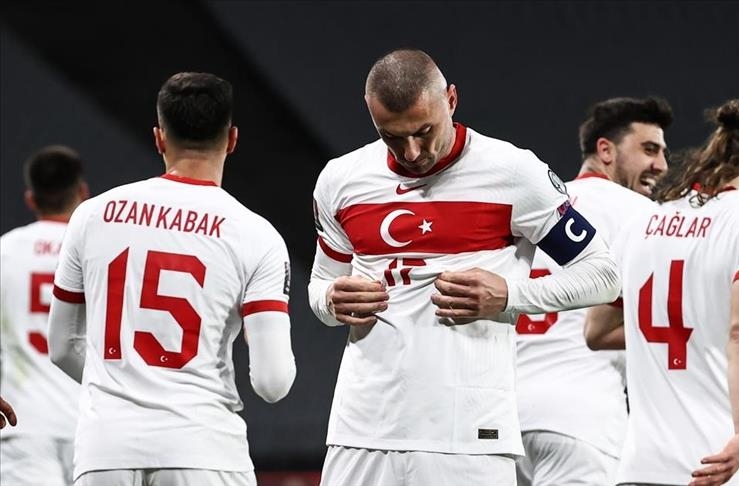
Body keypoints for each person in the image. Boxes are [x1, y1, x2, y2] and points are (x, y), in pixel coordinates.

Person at [307, 48, 621, 486]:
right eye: (392, 136)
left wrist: (509, 295)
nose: (412, 151)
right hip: (359, 429)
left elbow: (604, 276)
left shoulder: (513, 173)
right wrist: (330, 300)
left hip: (469, 434)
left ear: (451, 100)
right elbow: (322, 283)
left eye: (424, 131)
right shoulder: (341, 179)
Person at [46, 72, 297, 486]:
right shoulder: (256, 234)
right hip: (202, 448)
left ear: (159, 138)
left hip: (105, 450)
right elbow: (273, 382)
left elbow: (60, 347)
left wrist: (123, 383)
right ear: (232, 139)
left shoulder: (92, 216)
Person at [585, 99, 739, 486]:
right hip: (724, 464)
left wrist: (688, 330)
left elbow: (596, 331)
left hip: (644, 466)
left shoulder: (642, 222)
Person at [515, 97, 672, 486]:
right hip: (581, 417)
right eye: (649, 149)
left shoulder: (532, 208)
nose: (662, 165)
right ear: (606, 150)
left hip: (503, 417)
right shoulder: (642, 214)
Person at [0, 145, 89, 486]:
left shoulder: (6, 251)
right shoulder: (99, 253)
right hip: (93, 424)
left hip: (26, 423)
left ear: (31, 199)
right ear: (82, 192)